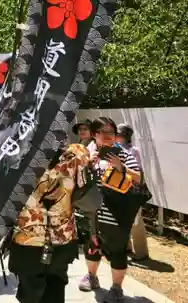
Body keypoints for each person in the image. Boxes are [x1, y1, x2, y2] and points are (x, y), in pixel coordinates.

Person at [9, 144, 90, 303]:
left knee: (30, 288)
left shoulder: (17, 157)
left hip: (28, 237)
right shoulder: (76, 156)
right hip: (61, 235)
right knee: (56, 285)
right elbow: (85, 189)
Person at [79, 117, 142, 303]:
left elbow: (138, 179)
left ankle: (116, 288)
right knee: (92, 245)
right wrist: (87, 164)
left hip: (116, 211)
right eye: (103, 132)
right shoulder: (87, 153)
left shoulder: (122, 153)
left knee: (117, 250)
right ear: (94, 134)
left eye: (111, 133)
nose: (107, 136)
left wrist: (121, 167)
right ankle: (92, 276)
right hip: (92, 209)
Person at [116, 123, 149, 260]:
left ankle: (141, 253)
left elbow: (138, 171)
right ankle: (126, 247)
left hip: (132, 188)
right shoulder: (114, 148)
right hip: (117, 187)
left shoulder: (134, 150)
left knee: (136, 221)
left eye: (118, 133)